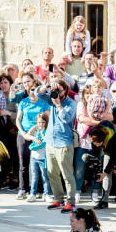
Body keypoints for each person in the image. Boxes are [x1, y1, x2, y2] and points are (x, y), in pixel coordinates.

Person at [36, 79, 77, 213]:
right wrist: (47, 86)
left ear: (65, 91)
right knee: (52, 173)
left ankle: (70, 202)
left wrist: (59, 105)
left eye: (59, 90)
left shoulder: (71, 103)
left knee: (67, 174)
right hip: (50, 142)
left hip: (64, 143)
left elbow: (67, 119)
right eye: (55, 90)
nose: (56, 93)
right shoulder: (51, 98)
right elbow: (38, 94)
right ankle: (58, 199)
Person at [89, 122, 116, 212]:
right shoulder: (94, 132)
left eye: (97, 143)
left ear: (102, 141)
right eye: (94, 142)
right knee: (105, 174)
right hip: (111, 146)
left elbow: (113, 158)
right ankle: (104, 201)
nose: (95, 145)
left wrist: (108, 170)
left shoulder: (111, 139)